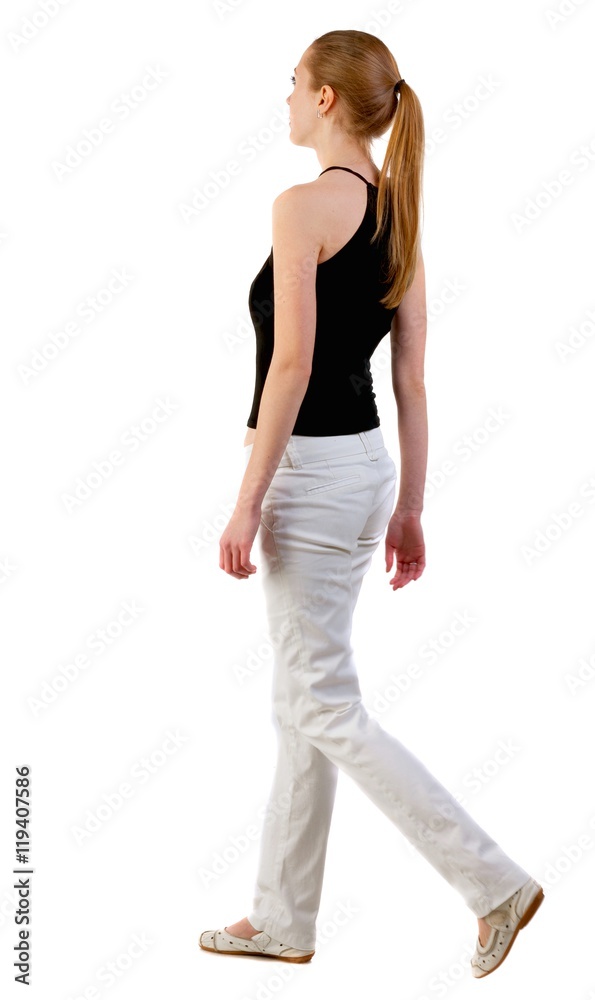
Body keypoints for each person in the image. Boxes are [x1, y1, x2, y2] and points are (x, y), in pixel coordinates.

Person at [200, 29, 544, 978]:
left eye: (291, 84)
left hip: (307, 478)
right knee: (300, 701)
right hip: (365, 475)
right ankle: (282, 916)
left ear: (322, 101)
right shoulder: (398, 213)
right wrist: (410, 508)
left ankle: (493, 884)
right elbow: (415, 382)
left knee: (322, 701)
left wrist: (244, 500)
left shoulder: (301, 206)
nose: (284, 99)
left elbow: (293, 364)